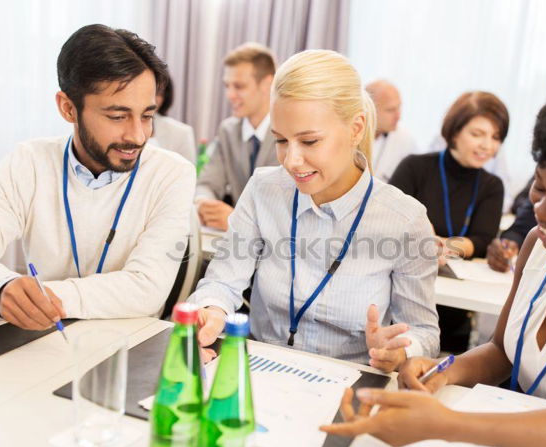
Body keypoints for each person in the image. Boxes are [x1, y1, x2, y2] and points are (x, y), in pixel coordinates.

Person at [322, 59, 546, 447]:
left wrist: (446, 424)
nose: (543, 212)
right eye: (539, 188)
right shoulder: (539, 243)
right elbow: (503, 351)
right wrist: (443, 370)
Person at [188, 50, 440, 370]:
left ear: (356, 128)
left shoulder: (404, 219)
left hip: (349, 385)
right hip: (262, 371)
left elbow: (426, 333)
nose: (291, 160)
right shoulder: (263, 190)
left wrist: (401, 350)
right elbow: (222, 281)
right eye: (281, 140)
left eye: (309, 142)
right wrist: (211, 311)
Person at [0, 24, 196, 330]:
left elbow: (146, 290)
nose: (138, 136)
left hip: (125, 344)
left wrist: (28, 297)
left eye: (147, 115)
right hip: (40, 340)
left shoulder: (172, 174)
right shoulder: (28, 162)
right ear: (68, 108)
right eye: (117, 116)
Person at [390, 92, 508, 352]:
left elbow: (481, 241)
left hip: (454, 305)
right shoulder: (414, 168)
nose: (487, 145)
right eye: (478, 134)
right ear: (455, 132)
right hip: (400, 292)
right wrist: (423, 244)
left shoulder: (491, 186)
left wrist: (445, 247)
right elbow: (386, 221)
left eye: (495, 137)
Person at [194, 43, 279, 231]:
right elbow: (207, 183)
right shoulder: (228, 130)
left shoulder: (289, 132)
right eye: (227, 86)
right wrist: (204, 203)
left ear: (267, 84)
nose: (230, 95)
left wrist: (237, 220)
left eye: (239, 86)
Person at [365, 80, 418, 183]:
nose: (398, 117)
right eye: (390, 110)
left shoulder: (406, 140)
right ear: (368, 109)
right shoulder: (346, 136)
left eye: (399, 107)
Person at [149, 77, 197, 164]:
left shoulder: (181, 132)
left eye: (159, 93)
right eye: (148, 91)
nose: (153, 98)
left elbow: (188, 174)